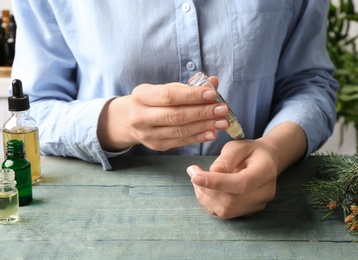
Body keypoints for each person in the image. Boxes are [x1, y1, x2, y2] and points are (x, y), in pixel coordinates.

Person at [11, 1, 338, 219]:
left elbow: (310, 83)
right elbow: (32, 110)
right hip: (103, 213)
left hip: (262, 213)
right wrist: (120, 121)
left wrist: (273, 150)